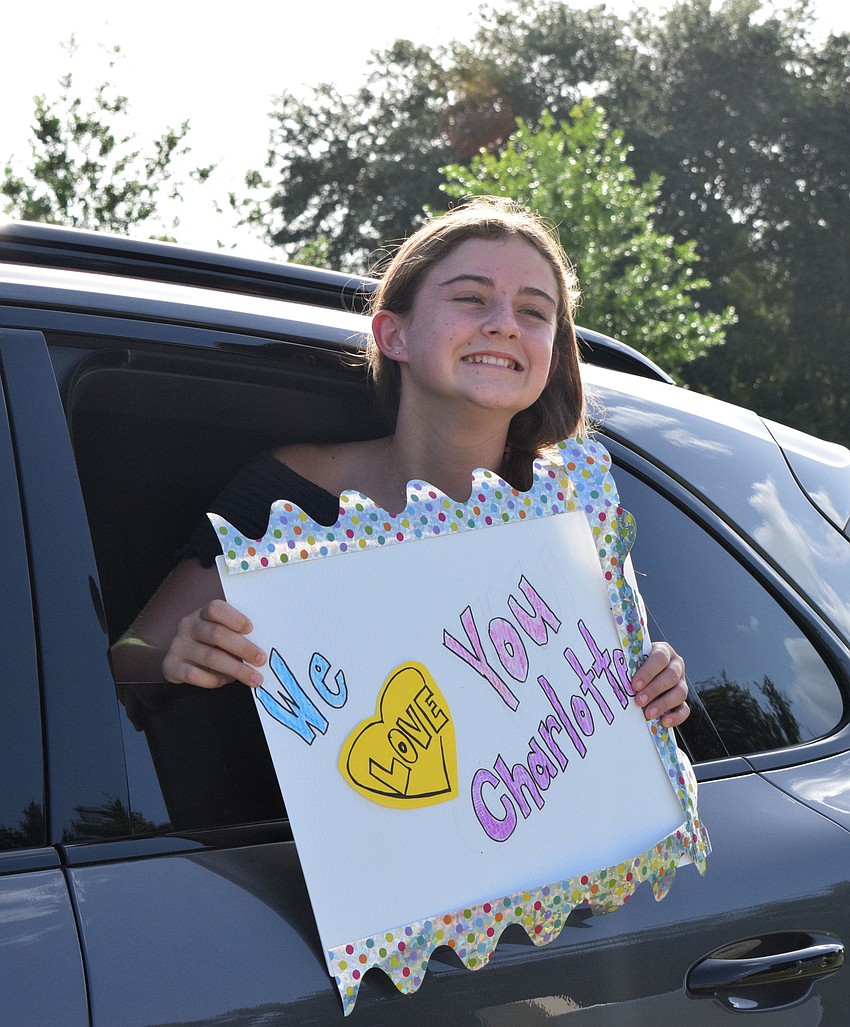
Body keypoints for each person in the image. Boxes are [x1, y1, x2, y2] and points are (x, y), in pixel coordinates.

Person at [111, 197, 689, 730]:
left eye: (535, 312)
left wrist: (657, 679)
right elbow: (125, 662)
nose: (506, 323)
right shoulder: (292, 495)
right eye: (471, 298)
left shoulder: (571, 511)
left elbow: (601, 692)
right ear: (394, 334)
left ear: (552, 357)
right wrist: (177, 657)